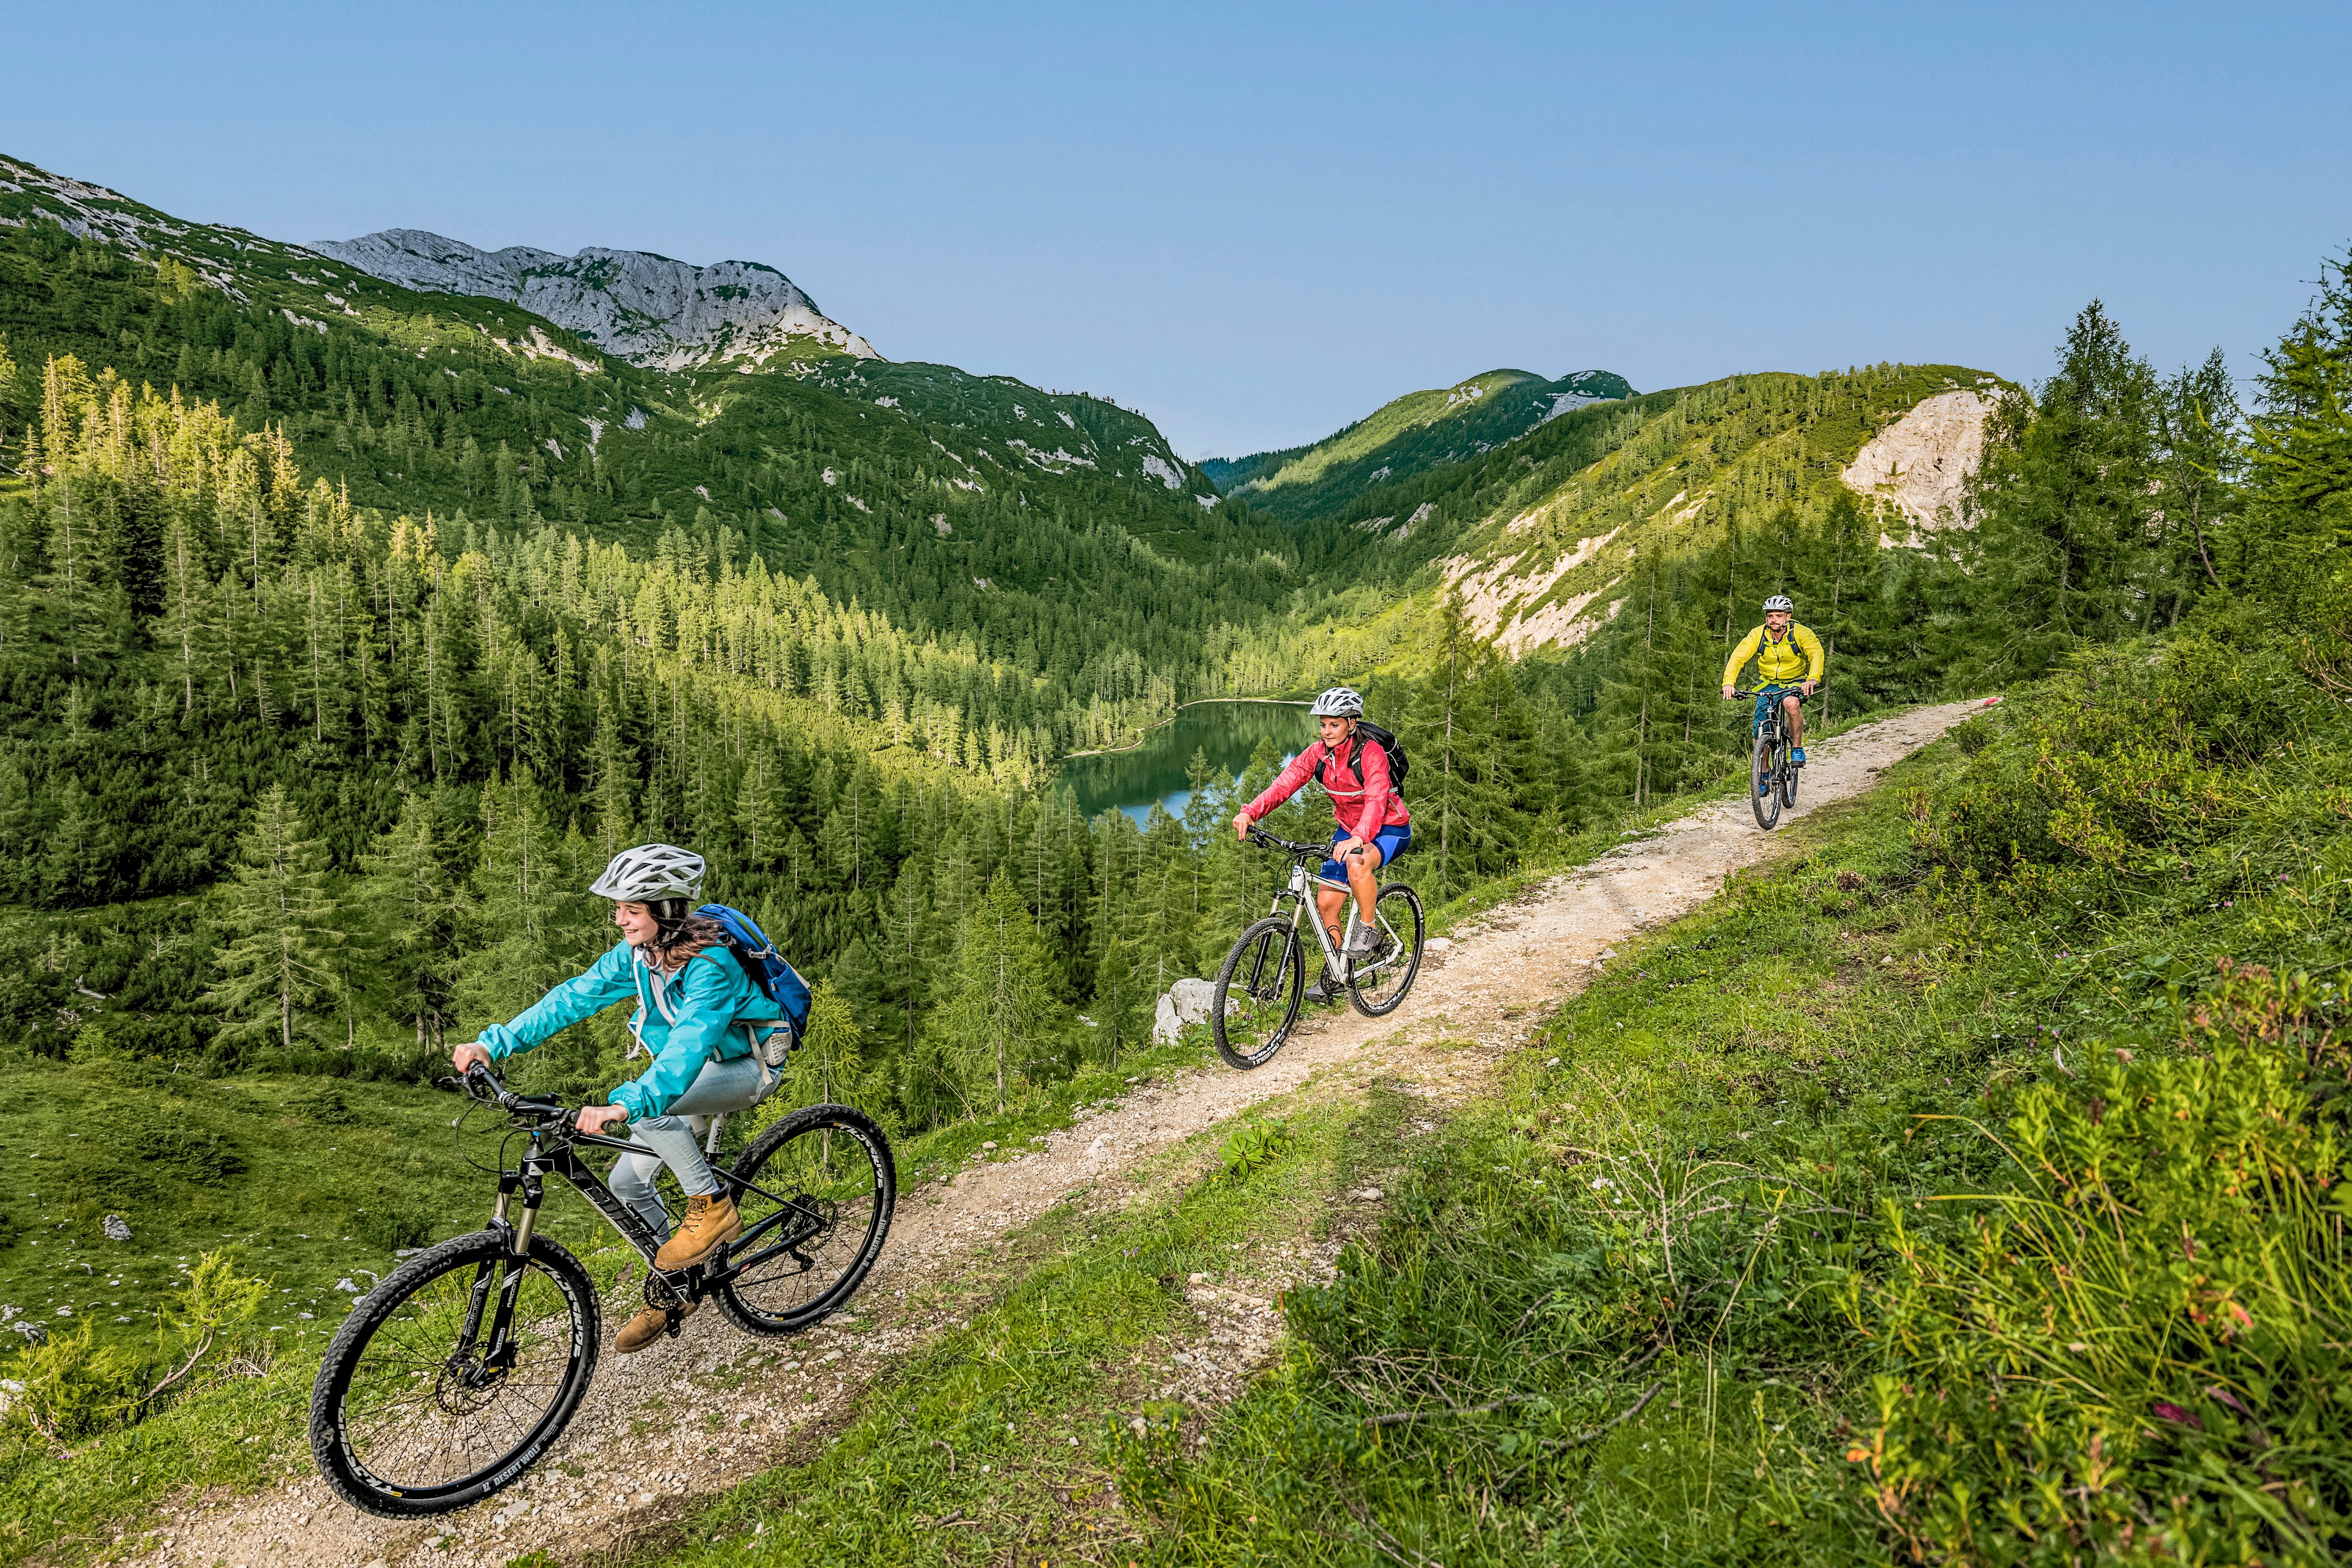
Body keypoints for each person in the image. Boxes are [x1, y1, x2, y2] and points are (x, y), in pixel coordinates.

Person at [451, 843, 786, 1353]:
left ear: (666, 909)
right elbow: (572, 997)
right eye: (619, 907)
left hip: (746, 1067)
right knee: (625, 1183)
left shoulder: (711, 965)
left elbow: (687, 1048)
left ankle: (712, 1206)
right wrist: (492, 1044)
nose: (618, 918)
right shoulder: (640, 956)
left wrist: (627, 1104)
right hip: (692, 1071)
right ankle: (675, 1286)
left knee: (643, 1105)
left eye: (631, 909)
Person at [1230, 687, 1411, 1004]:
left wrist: (1359, 837)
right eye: (1323, 724)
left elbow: (1377, 798)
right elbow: (1285, 783)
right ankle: (1339, 969)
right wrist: (1250, 811)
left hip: (1388, 827)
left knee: (1358, 864)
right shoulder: (1318, 755)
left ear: (1352, 724)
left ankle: (1368, 928)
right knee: (1327, 904)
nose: (1327, 731)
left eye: (1335, 725)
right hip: (1348, 830)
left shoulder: (1370, 754)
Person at [1720, 594, 1825, 782]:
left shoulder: (1800, 633)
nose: (1773, 620)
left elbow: (1816, 653)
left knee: (1791, 704)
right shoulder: (1758, 635)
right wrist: (1729, 682)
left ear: (1788, 617)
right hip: (1768, 683)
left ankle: (1797, 749)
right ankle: (1764, 769)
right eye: (1770, 616)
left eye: (1778, 616)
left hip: (1795, 680)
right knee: (1760, 729)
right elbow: (1738, 656)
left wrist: (1812, 679)